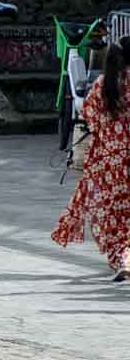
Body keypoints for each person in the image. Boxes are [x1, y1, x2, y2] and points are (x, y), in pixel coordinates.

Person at [53, 41, 130, 280]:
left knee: (112, 215)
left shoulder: (101, 85)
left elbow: (88, 117)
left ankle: (122, 258)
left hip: (108, 161)